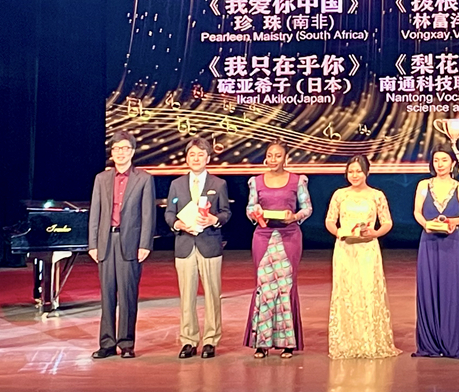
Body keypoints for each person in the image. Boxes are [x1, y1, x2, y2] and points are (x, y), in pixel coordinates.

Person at [324, 155, 401, 359]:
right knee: (346, 291)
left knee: (367, 291)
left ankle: (369, 342)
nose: (355, 175)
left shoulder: (377, 195)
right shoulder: (339, 195)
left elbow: (387, 222)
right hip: (345, 248)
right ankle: (347, 343)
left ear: (367, 172)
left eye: (358, 171)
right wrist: (338, 232)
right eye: (351, 171)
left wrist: (375, 233)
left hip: (367, 248)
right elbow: (330, 220)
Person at [88, 130, 156, 359]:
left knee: (128, 295)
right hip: (106, 242)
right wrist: (93, 244)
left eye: (125, 148)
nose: (120, 153)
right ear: (112, 152)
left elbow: (148, 215)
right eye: (116, 149)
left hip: (131, 243)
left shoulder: (144, 179)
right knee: (107, 295)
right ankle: (107, 343)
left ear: (132, 152)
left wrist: (145, 244)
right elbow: (95, 214)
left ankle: (126, 343)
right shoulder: (101, 179)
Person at [243, 140, 311, 358]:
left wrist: (295, 216)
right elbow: (250, 207)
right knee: (264, 287)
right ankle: (261, 342)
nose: (273, 159)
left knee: (285, 287)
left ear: (285, 158)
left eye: (278, 155)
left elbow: (307, 207)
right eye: (270, 155)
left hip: (289, 236)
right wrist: (255, 213)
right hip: (263, 237)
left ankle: (287, 342)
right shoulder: (256, 181)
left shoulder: (297, 180)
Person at [164, 137, 231, 359]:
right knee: (186, 296)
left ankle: (211, 340)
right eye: (192, 154)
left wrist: (214, 220)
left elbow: (226, 212)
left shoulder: (218, 184)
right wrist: (177, 224)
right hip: (184, 245)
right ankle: (188, 340)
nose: (196, 158)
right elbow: (169, 213)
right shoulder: (176, 184)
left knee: (212, 294)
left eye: (200, 155)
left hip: (209, 244)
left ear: (208, 158)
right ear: (186, 158)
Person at [412, 144, 459, 359]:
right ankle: (430, 342)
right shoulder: (423, 185)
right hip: (428, 241)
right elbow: (417, 212)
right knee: (428, 288)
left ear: (453, 163)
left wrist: (453, 221)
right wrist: (426, 224)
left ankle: (451, 341)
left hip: (451, 243)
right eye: (436, 160)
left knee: (450, 288)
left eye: (444, 160)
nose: (440, 164)